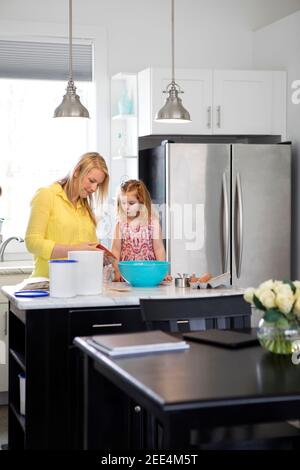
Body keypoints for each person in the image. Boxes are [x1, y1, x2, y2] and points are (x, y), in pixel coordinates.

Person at [25, 152, 109, 278]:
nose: (94, 189)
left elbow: (89, 247)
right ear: (76, 171)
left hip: (79, 285)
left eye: (98, 184)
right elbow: (32, 242)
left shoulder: (86, 208)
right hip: (48, 285)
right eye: (92, 181)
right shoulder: (46, 195)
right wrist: (74, 250)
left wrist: (107, 259)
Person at [111, 179, 171, 282]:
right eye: (123, 203)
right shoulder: (120, 225)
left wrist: (162, 273)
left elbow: (159, 249)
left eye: (131, 203)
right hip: (127, 276)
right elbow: (115, 251)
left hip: (150, 274)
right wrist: (117, 272)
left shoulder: (153, 223)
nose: (126, 207)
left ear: (142, 202)